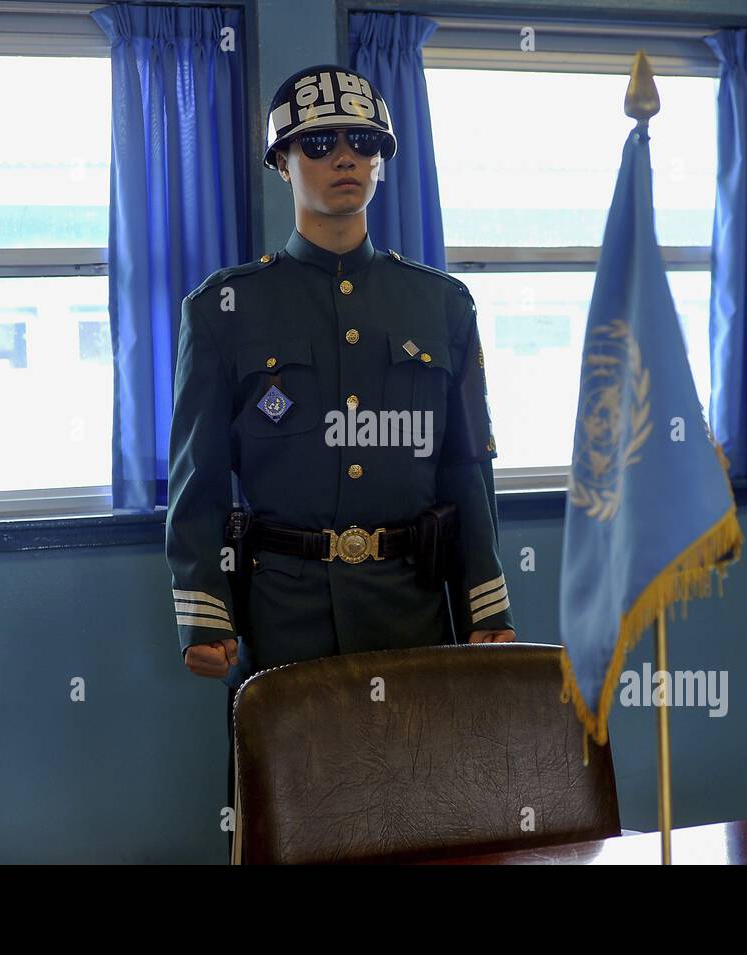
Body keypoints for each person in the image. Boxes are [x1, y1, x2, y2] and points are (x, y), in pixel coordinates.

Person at [165, 64, 516, 848]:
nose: (344, 157)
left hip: (412, 607)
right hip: (284, 612)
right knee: (292, 824)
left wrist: (484, 602)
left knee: (418, 817)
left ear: (383, 159)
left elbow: (466, 466)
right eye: (318, 142)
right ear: (283, 163)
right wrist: (204, 607)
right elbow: (198, 474)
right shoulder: (225, 308)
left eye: (362, 141)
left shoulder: (440, 303)